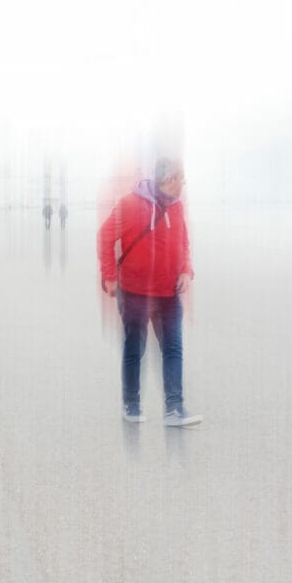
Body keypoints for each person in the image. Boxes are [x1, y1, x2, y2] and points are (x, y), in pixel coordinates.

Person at [97, 157, 201, 427]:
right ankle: (131, 404)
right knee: (135, 350)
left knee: (173, 349)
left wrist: (186, 272)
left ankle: (174, 409)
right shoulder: (130, 205)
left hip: (169, 294)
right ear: (168, 179)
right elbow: (105, 236)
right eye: (180, 178)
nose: (183, 184)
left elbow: (184, 243)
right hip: (135, 295)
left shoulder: (177, 208)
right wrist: (109, 276)